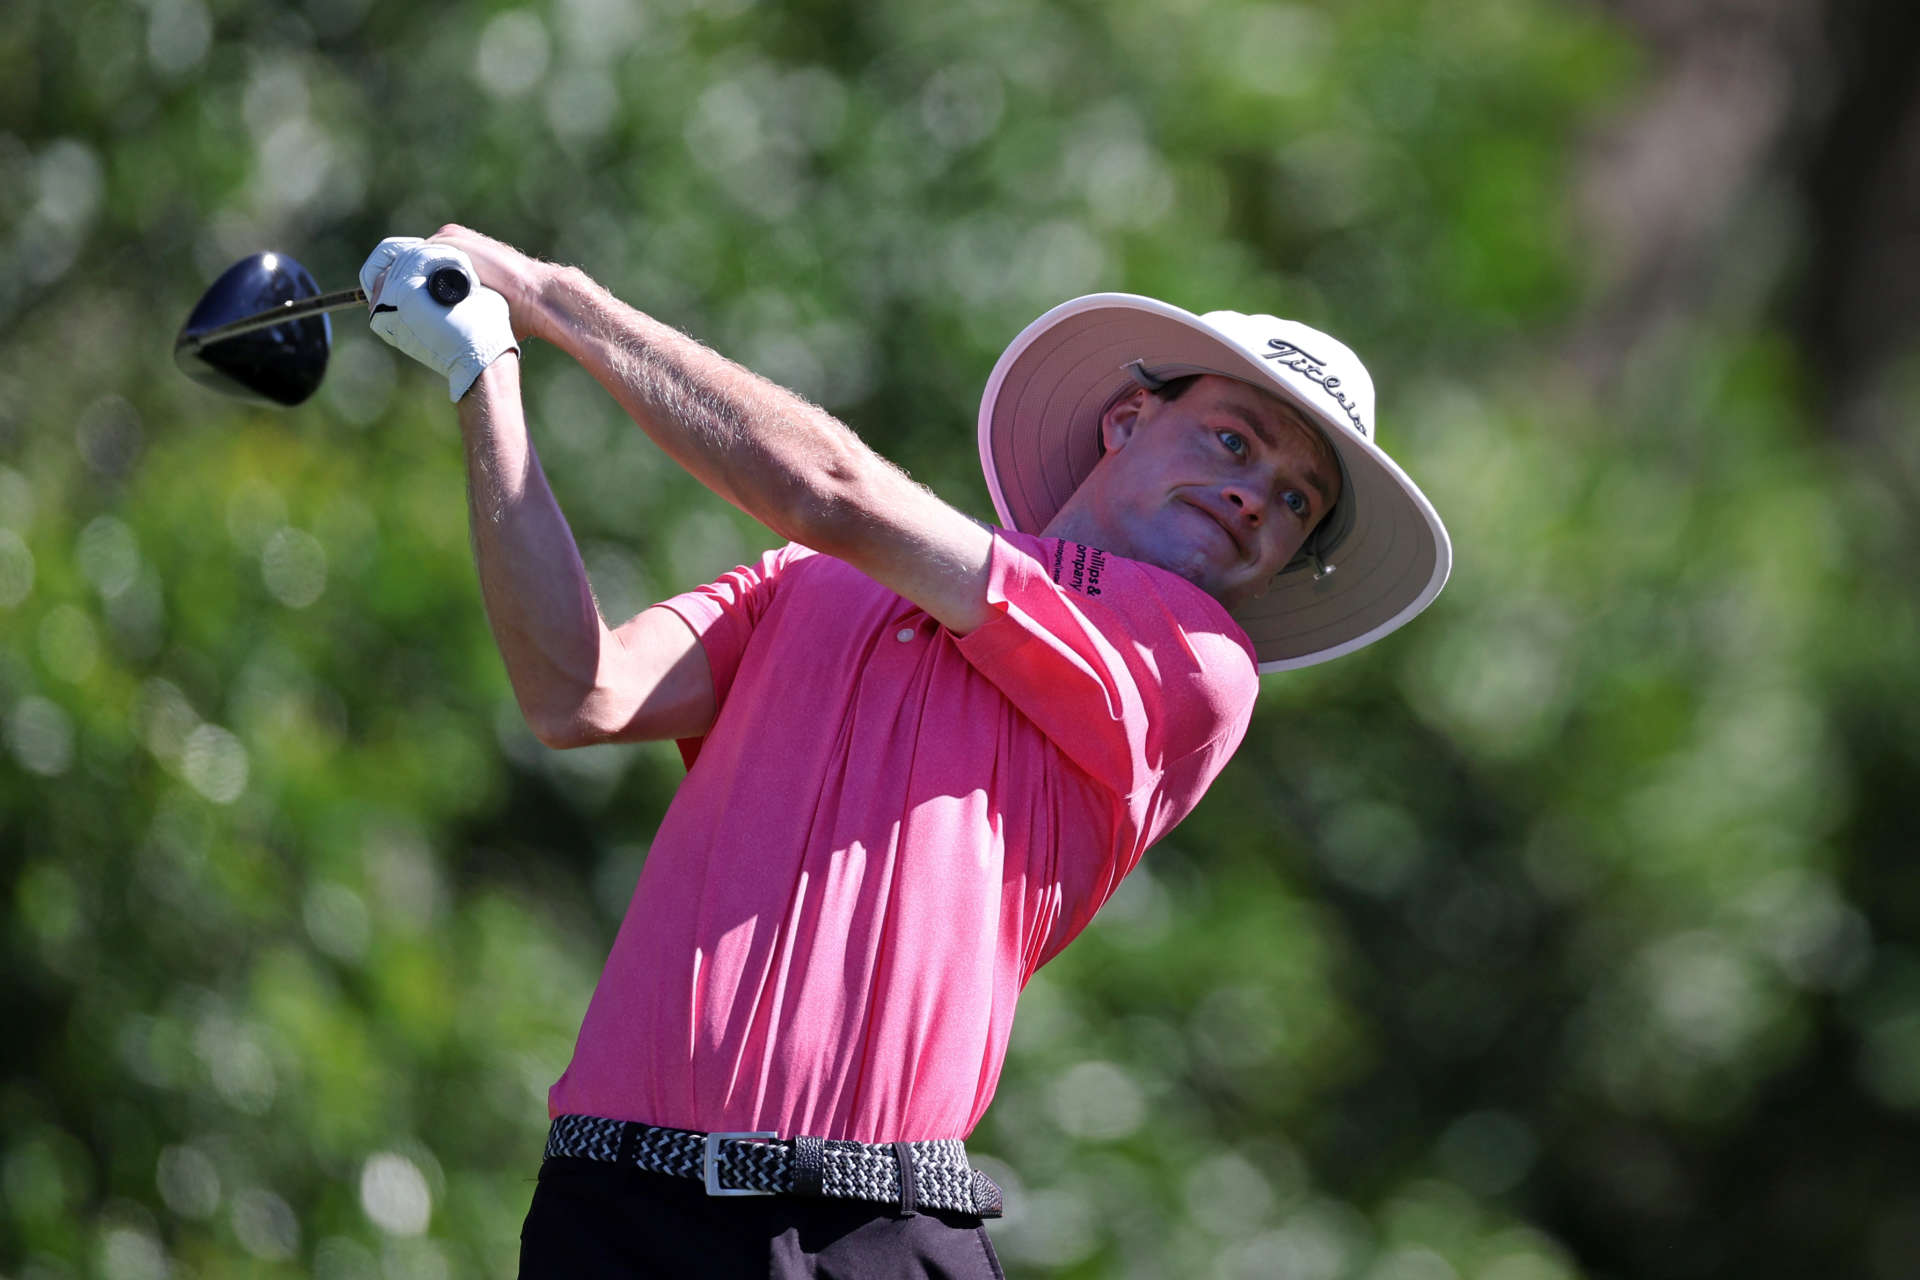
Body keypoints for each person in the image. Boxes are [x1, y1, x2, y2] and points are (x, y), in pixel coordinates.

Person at [359, 229, 1451, 1278]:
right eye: (1235, 439)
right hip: (612, 1208)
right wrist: (484, 369)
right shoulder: (808, 579)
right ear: (1126, 418)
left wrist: (551, 297)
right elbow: (577, 690)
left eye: (1297, 499)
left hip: (865, 1228)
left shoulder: (1198, 666)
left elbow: (832, 490)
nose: (1257, 492)